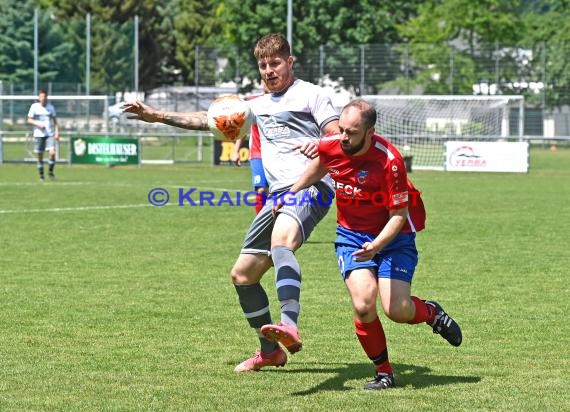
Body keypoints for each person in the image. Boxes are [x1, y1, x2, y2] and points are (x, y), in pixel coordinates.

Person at [123, 33, 340, 372]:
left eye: (275, 63)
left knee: (283, 241)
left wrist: (323, 144)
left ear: (290, 61)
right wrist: (158, 115)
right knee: (243, 275)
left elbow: (339, 135)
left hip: (313, 186)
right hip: (278, 194)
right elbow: (207, 118)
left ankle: (290, 325)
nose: (269, 70)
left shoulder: (313, 95)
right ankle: (270, 352)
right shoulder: (256, 105)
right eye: (263, 65)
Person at [273, 99, 462, 390]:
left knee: (397, 310)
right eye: (342, 130)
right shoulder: (333, 144)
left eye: (352, 132)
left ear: (370, 131)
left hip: (393, 238)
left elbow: (399, 216)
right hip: (351, 236)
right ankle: (384, 372)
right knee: (363, 303)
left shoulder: (390, 161)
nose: (343, 137)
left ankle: (431, 313)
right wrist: (292, 192)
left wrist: (376, 245)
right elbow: (321, 164)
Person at [231, 83, 269, 215]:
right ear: (261, 82)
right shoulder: (252, 102)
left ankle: (279, 225)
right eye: (264, 80)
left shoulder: (284, 102)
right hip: (257, 153)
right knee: (261, 190)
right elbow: (244, 127)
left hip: (277, 154)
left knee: (280, 192)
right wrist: (236, 150)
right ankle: (262, 226)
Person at [27, 89, 60, 182]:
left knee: (52, 153)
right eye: (41, 96)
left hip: (49, 134)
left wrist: (57, 132)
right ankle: (41, 176)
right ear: (38, 97)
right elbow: (29, 120)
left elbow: (55, 122)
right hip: (38, 135)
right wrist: (37, 123)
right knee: (40, 155)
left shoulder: (51, 107)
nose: (43, 98)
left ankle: (50, 172)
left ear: (47, 97)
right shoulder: (34, 107)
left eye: (45, 96)